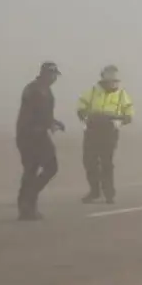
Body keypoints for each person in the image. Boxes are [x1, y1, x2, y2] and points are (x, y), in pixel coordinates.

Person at [77, 64, 134, 204]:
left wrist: (119, 122)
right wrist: (85, 119)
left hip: (109, 131)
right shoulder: (92, 91)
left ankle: (109, 193)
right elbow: (81, 108)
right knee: (89, 161)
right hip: (92, 130)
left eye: (114, 76)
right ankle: (94, 191)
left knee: (106, 163)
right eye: (109, 75)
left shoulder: (122, 94)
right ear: (103, 77)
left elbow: (129, 114)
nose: (111, 79)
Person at [15, 61, 66, 220]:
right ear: (45, 74)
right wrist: (49, 123)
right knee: (50, 167)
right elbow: (35, 113)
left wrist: (54, 122)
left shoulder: (42, 90)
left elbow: (43, 114)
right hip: (32, 135)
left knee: (31, 170)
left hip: (30, 134)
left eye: (55, 75)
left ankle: (26, 207)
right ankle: (28, 201)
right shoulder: (36, 90)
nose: (54, 78)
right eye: (52, 75)